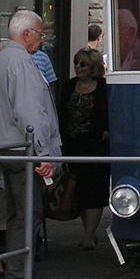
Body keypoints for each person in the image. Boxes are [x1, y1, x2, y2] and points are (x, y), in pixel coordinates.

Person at [0, 9, 62, 279]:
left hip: (1, 146)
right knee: (28, 212)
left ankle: (16, 272)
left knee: (17, 212)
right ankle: (19, 276)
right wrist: (43, 153)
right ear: (27, 34)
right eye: (40, 34)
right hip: (20, 148)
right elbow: (29, 111)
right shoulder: (21, 62)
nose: (43, 39)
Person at [57, 48, 111, 249]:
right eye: (76, 62)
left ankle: (89, 235)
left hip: (96, 146)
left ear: (93, 67)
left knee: (95, 190)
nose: (77, 67)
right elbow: (62, 113)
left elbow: (110, 113)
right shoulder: (70, 85)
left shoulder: (103, 87)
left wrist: (105, 132)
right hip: (73, 145)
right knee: (77, 189)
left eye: (83, 64)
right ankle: (87, 231)